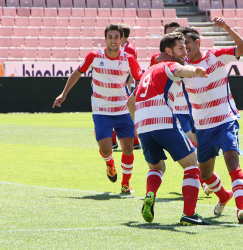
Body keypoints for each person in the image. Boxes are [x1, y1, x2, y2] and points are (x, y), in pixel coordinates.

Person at [127, 32, 211, 225]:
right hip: (163, 120)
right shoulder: (168, 65)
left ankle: (150, 194)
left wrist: (137, 126)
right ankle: (189, 214)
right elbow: (181, 70)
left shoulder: (148, 72)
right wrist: (196, 70)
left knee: (157, 167)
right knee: (192, 165)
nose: (184, 51)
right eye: (180, 48)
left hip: (143, 125)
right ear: (168, 51)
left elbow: (130, 101)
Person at [53, 24, 142, 195]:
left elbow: (141, 79)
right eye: (110, 37)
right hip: (101, 110)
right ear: (106, 38)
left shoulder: (129, 59)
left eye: (117, 37)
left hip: (123, 110)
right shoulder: (94, 56)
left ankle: (125, 184)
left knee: (128, 148)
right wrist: (63, 94)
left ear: (122, 39)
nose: (113, 40)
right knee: (106, 149)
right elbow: (77, 73)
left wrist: (135, 96)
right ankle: (110, 164)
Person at [176, 17, 243, 223]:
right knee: (205, 174)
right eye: (182, 47)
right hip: (202, 127)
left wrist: (226, 28)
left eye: (187, 45)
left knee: (232, 161)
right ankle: (224, 196)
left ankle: (241, 210)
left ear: (197, 42)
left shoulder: (216, 56)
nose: (185, 49)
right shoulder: (182, 66)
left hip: (226, 120)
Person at [152, 21, 213, 196]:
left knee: (199, 146)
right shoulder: (162, 59)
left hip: (193, 108)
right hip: (177, 110)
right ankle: (202, 182)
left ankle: (202, 178)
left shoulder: (184, 55)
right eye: (171, 34)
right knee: (191, 147)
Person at [110, 24, 141, 151]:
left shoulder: (129, 49)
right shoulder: (127, 47)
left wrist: (127, 84)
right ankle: (114, 141)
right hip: (121, 85)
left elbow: (129, 68)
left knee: (125, 114)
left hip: (125, 86)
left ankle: (134, 141)